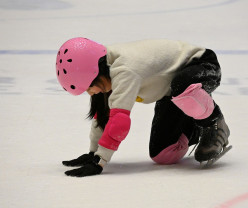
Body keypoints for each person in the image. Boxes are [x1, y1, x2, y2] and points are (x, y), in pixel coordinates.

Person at [56, 37, 231, 177]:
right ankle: (195, 123)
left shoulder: (124, 70)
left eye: (88, 87)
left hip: (203, 65)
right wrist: (93, 153)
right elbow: (103, 116)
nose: (90, 93)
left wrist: (100, 161)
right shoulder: (103, 68)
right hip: (170, 91)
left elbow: (119, 123)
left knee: (182, 88)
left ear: (95, 74)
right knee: (164, 155)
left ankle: (214, 123)